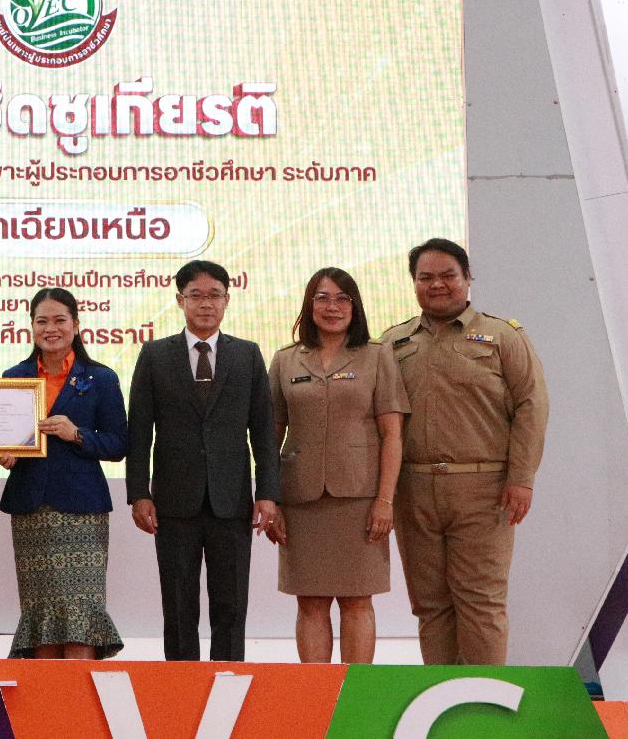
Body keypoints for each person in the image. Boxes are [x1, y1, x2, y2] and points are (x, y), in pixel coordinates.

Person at [381, 238, 548, 665]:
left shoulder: (502, 336)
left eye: (448, 275)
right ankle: (441, 698)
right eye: (426, 277)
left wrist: (521, 478)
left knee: (480, 604)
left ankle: (483, 701)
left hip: (484, 489)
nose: (437, 284)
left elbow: (532, 406)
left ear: (468, 277)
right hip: (413, 490)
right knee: (430, 605)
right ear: (414, 282)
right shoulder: (392, 342)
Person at [126, 260, 280, 662]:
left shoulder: (247, 355)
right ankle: (181, 685)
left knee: (231, 604)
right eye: (196, 295)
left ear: (227, 300)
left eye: (215, 295)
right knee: (179, 607)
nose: (206, 304)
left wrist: (267, 493)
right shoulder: (155, 354)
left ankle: (228, 679)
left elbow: (263, 431)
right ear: (181, 300)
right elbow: (139, 431)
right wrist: (139, 494)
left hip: (232, 501)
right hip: (173, 501)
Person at [265, 268, 408, 664]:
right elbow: (268, 437)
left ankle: (356, 693)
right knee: (310, 601)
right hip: (300, 501)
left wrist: (385, 501)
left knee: (357, 600)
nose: (333, 307)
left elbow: (393, 435)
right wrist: (270, 499)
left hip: (360, 500)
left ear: (355, 306)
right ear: (309, 305)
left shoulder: (378, 355)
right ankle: (317, 693)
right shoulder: (285, 359)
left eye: (343, 298)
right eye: (323, 298)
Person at [0, 288, 128, 660]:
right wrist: (4, 451)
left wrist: (78, 434)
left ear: (76, 325)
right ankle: (47, 697)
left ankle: (75, 696)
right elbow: (2, 434)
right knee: (41, 616)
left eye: (59, 320)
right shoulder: (14, 376)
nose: (50, 329)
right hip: (31, 509)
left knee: (80, 617)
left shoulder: (101, 378)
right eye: (42, 321)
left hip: (82, 510)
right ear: (31, 326)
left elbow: (119, 443)